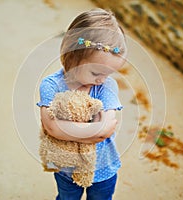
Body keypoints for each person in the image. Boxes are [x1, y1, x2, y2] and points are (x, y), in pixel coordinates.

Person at [37, 8, 127, 200]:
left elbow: (106, 129)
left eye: (108, 73)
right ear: (72, 58)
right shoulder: (51, 85)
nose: (102, 80)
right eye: (96, 73)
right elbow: (51, 127)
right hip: (66, 169)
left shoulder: (107, 86)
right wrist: (92, 132)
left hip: (103, 167)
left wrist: (68, 131)